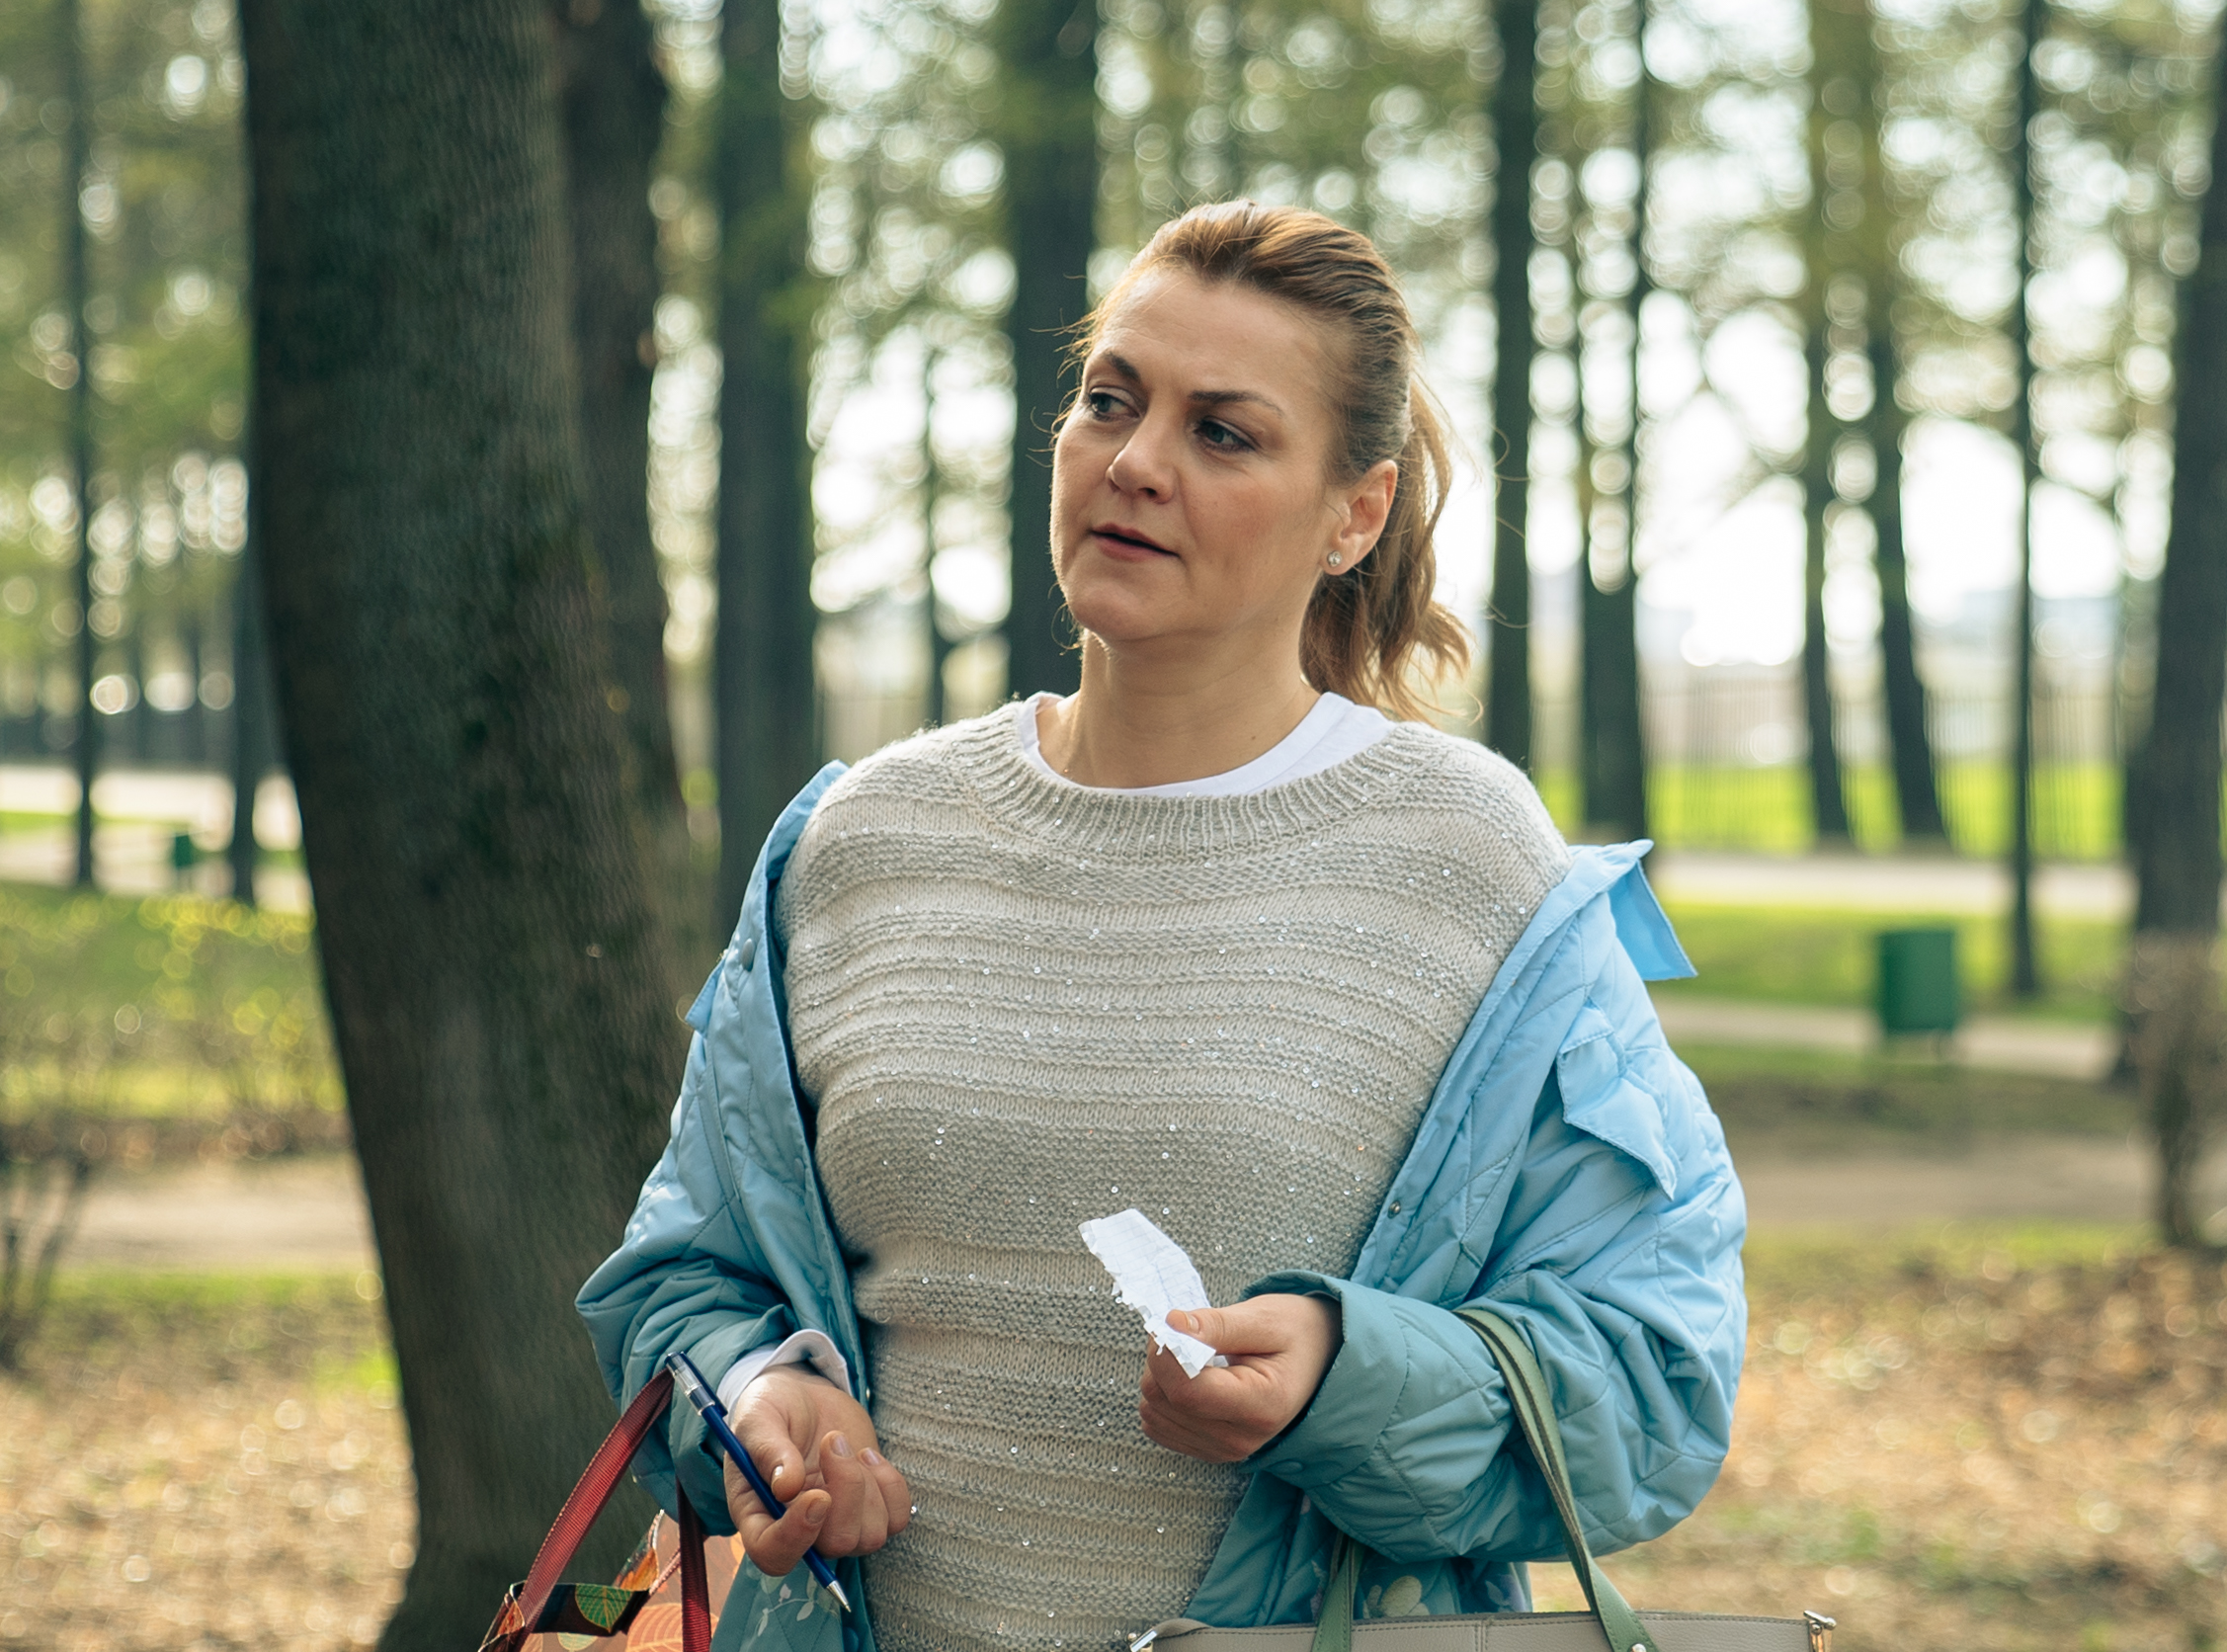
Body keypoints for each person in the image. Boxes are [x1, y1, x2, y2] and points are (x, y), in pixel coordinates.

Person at [580, 201, 1747, 1652]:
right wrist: (755, 1390)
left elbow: (1654, 1378)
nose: (1132, 464)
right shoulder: (854, 842)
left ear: (1355, 513)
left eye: (1224, 433)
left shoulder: (1471, 858)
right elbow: (681, 1275)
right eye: (1108, 402)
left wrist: (1345, 1377)